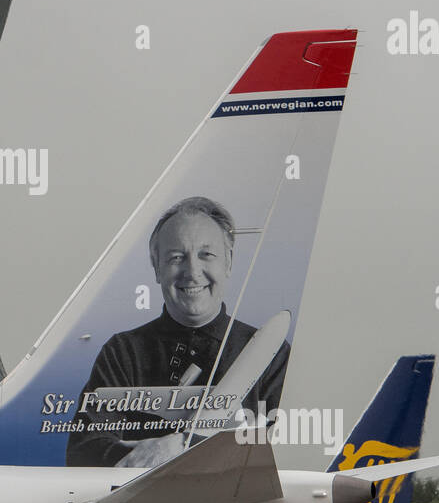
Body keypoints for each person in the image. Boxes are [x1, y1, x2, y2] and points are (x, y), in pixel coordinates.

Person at [65, 196, 289, 468]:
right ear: (156, 266)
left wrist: (185, 446)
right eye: (176, 257)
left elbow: (286, 451)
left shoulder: (271, 353)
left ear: (228, 262)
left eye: (206, 255)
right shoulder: (121, 352)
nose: (192, 272)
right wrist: (146, 453)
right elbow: (83, 450)